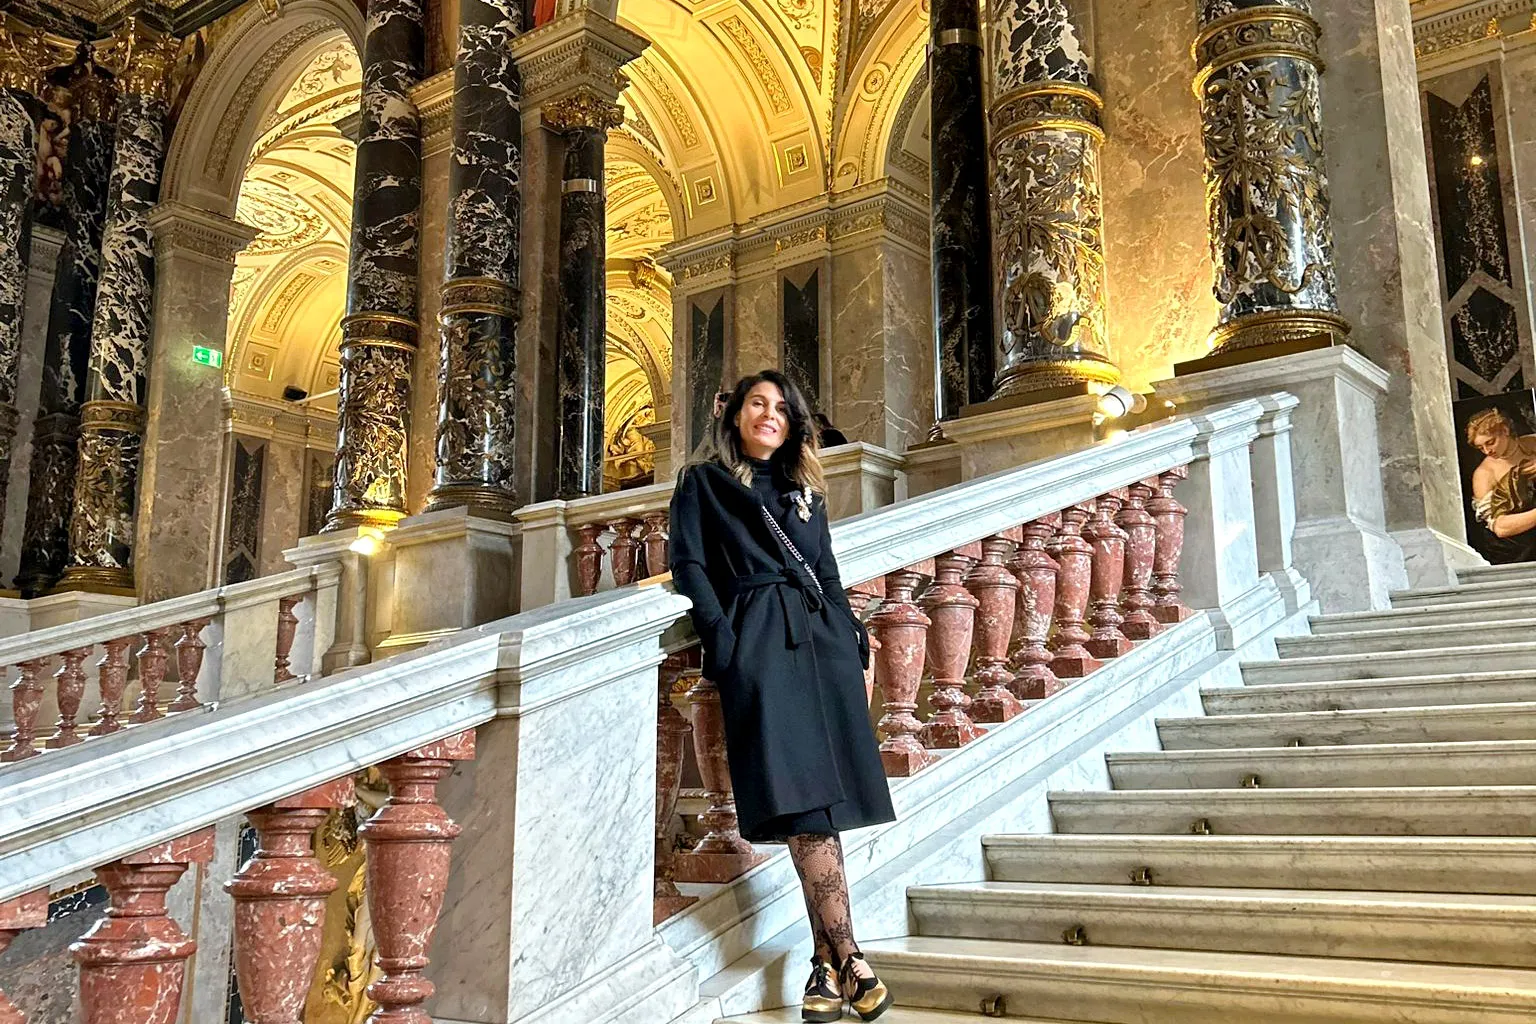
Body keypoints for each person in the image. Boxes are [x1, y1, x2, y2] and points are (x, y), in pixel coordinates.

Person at [668, 369, 896, 1022]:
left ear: (793, 423)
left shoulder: (804, 491)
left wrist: (852, 636)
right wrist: (726, 640)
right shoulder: (703, 482)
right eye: (757, 403)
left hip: (822, 644)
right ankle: (850, 953)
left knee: (816, 803)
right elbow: (689, 564)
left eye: (780, 407)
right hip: (762, 642)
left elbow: (826, 570)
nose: (769, 414)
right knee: (800, 798)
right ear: (735, 414)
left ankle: (826, 969)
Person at [1466, 407, 1536, 564]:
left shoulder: (1532, 443)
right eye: (1480, 447)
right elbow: (1500, 527)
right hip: (1516, 549)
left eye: (1490, 442)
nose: (1487, 451)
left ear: (1505, 430)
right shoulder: (1484, 474)